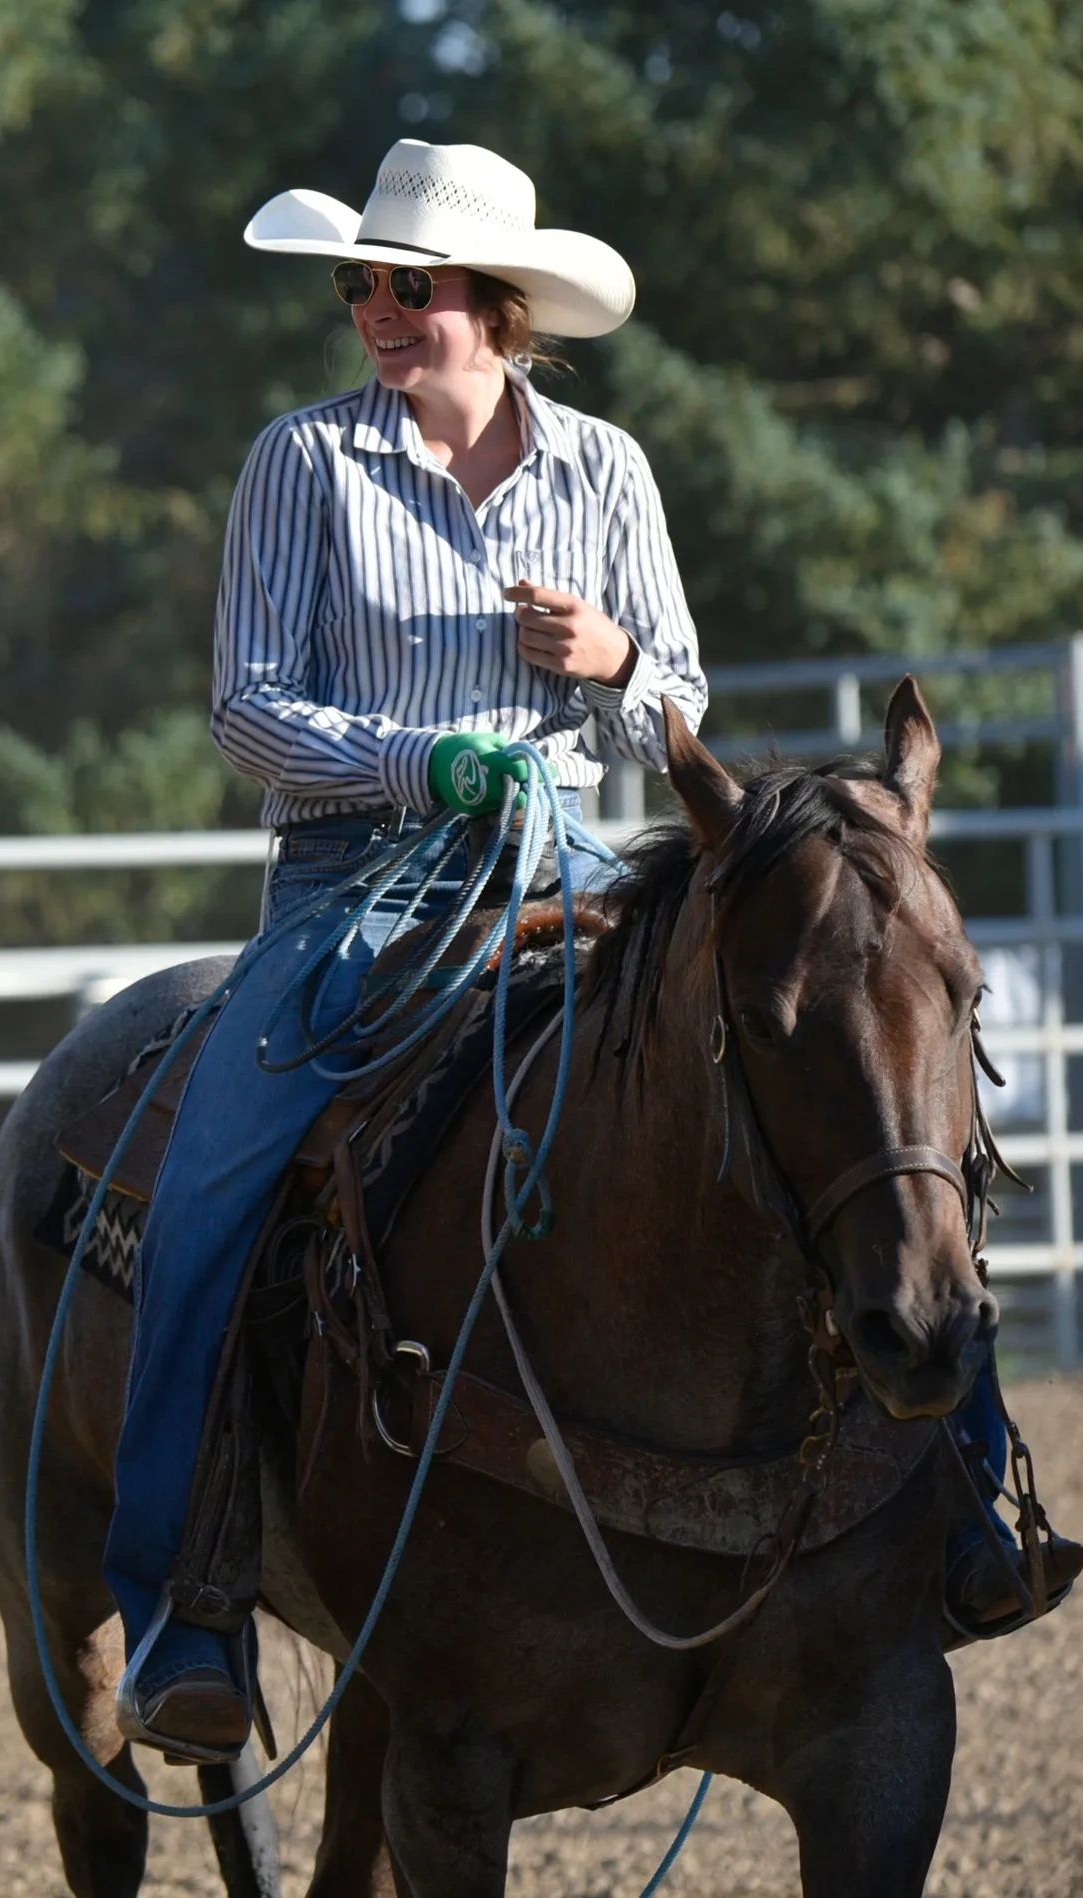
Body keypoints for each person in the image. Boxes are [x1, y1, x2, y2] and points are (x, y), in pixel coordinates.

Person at [106, 136, 1083, 1765]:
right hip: (363, 879)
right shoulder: (305, 463)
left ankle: (970, 1491)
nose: (372, 308)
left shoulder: (606, 471)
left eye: (405, 286)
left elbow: (676, 703)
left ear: (494, 308)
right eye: (361, 283)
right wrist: (430, 761)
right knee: (211, 1180)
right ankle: (182, 1601)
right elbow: (245, 712)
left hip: (574, 855)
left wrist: (620, 657)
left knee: (837, 1081)